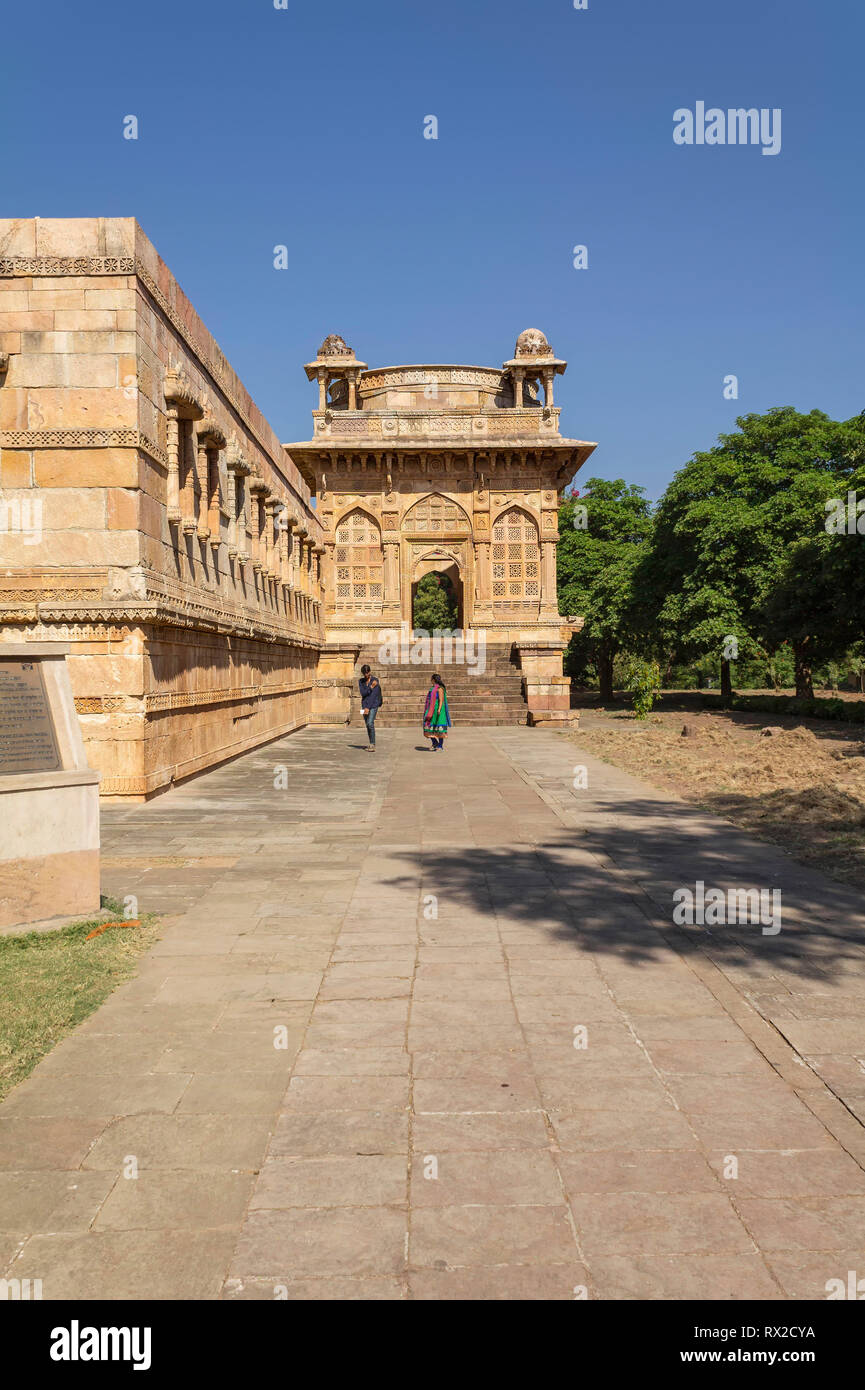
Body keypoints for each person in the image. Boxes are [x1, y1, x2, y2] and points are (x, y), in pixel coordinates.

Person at [423, 673, 451, 750]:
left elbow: (441, 700)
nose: (430, 680)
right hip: (431, 710)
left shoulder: (440, 689)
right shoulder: (432, 688)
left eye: (431, 679)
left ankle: (440, 745)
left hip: (438, 711)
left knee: (439, 728)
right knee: (428, 727)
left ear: (434, 680)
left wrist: (439, 709)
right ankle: (435, 742)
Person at [358, 663, 382, 751]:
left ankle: (372, 744)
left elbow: (373, 696)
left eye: (367, 673)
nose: (366, 675)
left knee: (370, 723)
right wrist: (371, 687)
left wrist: (368, 707)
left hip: (373, 704)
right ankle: (371, 742)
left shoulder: (375, 680)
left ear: (370, 672)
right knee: (367, 725)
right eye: (364, 673)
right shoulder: (361, 681)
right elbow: (363, 693)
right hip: (364, 705)